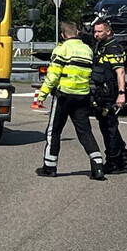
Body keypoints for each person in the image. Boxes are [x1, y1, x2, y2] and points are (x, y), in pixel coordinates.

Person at [35, 21, 106, 180]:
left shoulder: (62, 49)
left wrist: (42, 95)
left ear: (63, 35)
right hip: (82, 96)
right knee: (85, 131)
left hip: (63, 96)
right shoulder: (87, 50)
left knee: (54, 131)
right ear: (78, 33)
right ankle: (98, 166)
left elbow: (53, 75)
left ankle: (49, 167)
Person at [92, 20, 127, 173]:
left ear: (108, 31)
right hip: (101, 93)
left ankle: (113, 162)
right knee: (107, 127)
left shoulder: (113, 47)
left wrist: (121, 95)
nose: (96, 34)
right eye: (95, 31)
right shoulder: (101, 46)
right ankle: (124, 159)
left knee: (110, 128)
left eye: (99, 32)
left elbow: (120, 72)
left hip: (110, 94)